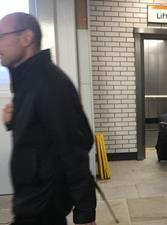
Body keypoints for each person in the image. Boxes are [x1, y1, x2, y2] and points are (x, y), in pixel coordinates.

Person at [0, 12, 97, 225]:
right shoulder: (26, 80)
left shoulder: (49, 82)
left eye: (2, 36)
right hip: (31, 203)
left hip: (43, 208)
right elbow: (40, 135)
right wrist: (13, 122)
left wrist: (85, 214)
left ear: (26, 38)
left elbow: (75, 150)